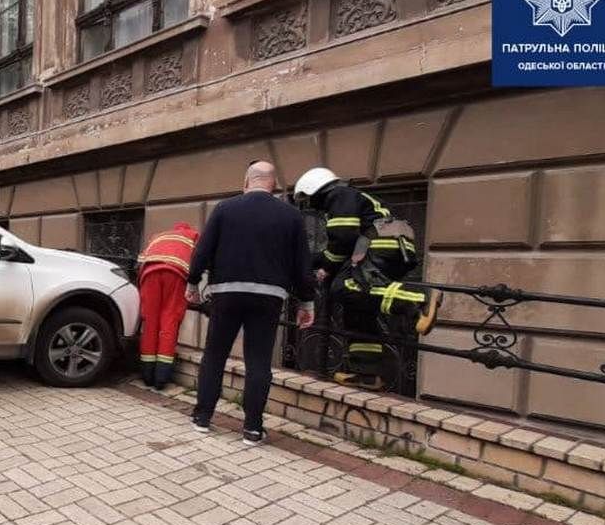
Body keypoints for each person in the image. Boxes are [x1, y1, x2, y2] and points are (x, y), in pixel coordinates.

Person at [187, 161, 316, 445]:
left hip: (226, 292)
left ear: (247, 181)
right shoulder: (291, 216)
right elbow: (302, 265)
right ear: (274, 184)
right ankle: (253, 429)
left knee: (215, 354)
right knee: (258, 361)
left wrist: (192, 282)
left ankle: (203, 417)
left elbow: (203, 249)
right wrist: (307, 302)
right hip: (269, 297)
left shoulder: (224, 209)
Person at [293, 167, 442, 391]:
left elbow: (343, 237)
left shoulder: (339, 196)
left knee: (344, 287)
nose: (310, 204)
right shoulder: (353, 196)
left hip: (381, 247)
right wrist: (318, 262)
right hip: (391, 249)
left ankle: (418, 300)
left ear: (315, 188)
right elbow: (341, 245)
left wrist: (327, 267)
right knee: (358, 307)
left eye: (308, 198)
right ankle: (366, 372)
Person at [136, 221, 199, 389]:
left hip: (149, 275)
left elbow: (140, 260)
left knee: (150, 323)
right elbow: (200, 261)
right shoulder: (193, 236)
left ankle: (147, 374)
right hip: (176, 276)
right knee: (169, 321)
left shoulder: (159, 236)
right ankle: (161, 378)